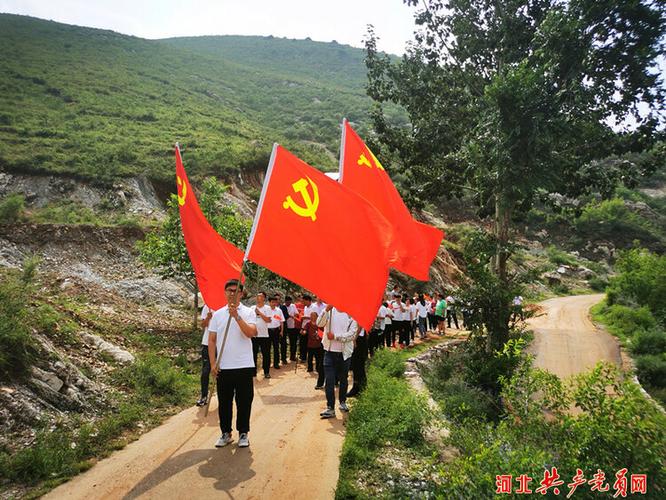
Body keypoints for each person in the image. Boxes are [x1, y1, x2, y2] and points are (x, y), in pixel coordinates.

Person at [208, 279, 257, 448]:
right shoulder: (218, 314)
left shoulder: (249, 312)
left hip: (244, 365)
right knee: (225, 402)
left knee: (244, 401)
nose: (232, 294)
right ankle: (225, 433)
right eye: (229, 290)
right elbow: (212, 340)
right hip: (224, 366)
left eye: (236, 291)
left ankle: (243, 433)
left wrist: (236, 317)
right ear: (225, 292)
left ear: (241, 294)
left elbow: (251, 333)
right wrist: (213, 363)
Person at [317, 305, 358, 418]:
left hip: (344, 354)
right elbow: (319, 323)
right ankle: (330, 407)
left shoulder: (352, 314)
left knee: (343, 379)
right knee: (329, 381)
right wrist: (325, 310)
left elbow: (351, 334)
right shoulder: (329, 311)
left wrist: (335, 336)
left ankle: (342, 402)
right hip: (329, 352)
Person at [197, 302, 215, 406]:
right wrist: (208, 318)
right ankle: (204, 396)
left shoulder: (226, 307)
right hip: (207, 344)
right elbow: (203, 325)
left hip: (221, 345)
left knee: (222, 372)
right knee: (205, 372)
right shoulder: (207, 307)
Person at [253, 292, 272, 378]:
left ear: (264, 298)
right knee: (253, 354)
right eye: (257, 296)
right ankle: (253, 372)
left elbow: (268, 320)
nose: (258, 298)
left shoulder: (267, 308)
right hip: (254, 335)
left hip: (264, 335)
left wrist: (259, 313)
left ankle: (266, 372)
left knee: (266, 354)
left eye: (260, 296)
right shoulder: (252, 308)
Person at [347, 326, 368, 397]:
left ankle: (357, 388)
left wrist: (354, 339)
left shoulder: (360, 315)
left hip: (358, 339)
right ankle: (361, 387)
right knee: (358, 366)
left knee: (357, 366)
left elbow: (360, 325)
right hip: (360, 338)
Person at [306, 317, 325, 389]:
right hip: (325, 345)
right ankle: (320, 383)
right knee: (322, 365)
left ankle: (335, 381)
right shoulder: (326, 314)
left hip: (336, 345)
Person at [267, 296, 285, 369]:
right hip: (267, 331)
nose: (274, 303)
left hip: (276, 331)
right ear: (269, 302)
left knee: (276, 347)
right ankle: (267, 363)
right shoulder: (266, 310)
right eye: (272, 302)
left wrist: (282, 331)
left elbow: (282, 321)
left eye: (275, 302)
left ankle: (276, 363)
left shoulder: (279, 310)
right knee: (267, 348)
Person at [284, 296, 300, 361]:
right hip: (285, 327)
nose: (289, 304)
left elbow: (297, 313)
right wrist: (289, 316)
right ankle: (284, 357)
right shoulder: (283, 307)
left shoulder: (293, 306)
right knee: (284, 343)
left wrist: (294, 316)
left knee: (293, 342)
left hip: (293, 327)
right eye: (288, 302)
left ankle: (292, 356)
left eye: (290, 302)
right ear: (285, 301)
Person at [300, 295, 314, 363]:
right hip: (304, 326)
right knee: (303, 342)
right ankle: (303, 357)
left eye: (303, 301)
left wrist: (306, 317)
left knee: (310, 343)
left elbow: (315, 318)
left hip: (311, 327)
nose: (303, 302)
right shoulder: (305, 307)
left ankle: (311, 358)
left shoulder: (314, 307)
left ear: (308, 300)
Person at [277, 294, 290, 365]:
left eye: (278, 299)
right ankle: (276, 360)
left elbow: (286, 316)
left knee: (283, 344)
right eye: (275, 299)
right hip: (274, 329)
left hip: (283, 328)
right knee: (275, 345)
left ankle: (283, 358)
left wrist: (278, 318)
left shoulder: (283, 307)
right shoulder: (269, 308)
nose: (277, 300)